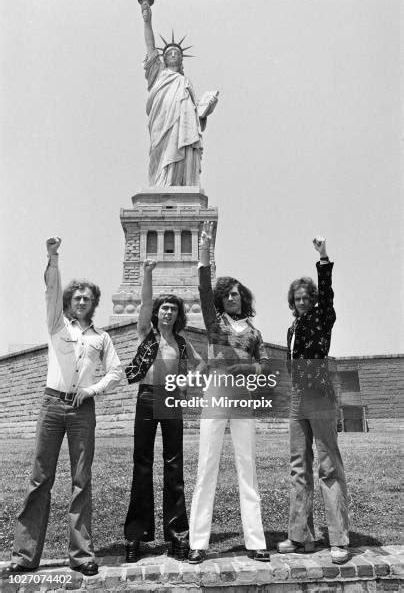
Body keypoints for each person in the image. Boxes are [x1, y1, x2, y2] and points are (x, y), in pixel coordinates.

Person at [2, 237, 123, 578]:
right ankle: (25, 555)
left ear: (93, 303)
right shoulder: (57, 325)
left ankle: (81, 555)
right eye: (77, 297)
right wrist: (53, 259)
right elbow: (51, 293)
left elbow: (116, 371)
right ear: (70, 302)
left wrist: (93, 390)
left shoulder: (102, 338)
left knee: (81, 480)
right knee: (40, 479)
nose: (81, 301)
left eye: (87, 298)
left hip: (82, 410)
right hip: (52, 406)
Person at [188, 222, 271, 564]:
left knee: (246, 467)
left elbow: (264, 366)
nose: (232, 297)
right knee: (206, 466)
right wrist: (205, 252)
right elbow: (204, 290)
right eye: (228, 294)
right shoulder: (215, 324)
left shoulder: (254, 333)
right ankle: (198, 543)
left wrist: (246, 369)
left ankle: (256, 542)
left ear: (244, 298)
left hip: (243, 400)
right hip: (216, 395)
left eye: (237, 293)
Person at [124, 259, 204, 562]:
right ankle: (135, 537)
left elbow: (201, 365)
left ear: (178, 315)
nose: (167, 312)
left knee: (174, 468)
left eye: (173, 308)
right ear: (157, 313)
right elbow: (144, 302)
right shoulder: (147, 334)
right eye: (164, 308)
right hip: (146, 396)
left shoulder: (183, 344)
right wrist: (147, 274)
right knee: (141, 465)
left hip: (171, 399)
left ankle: (177, 536)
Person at [277, 237, 349, 564]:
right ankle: (300, 536)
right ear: (292, 302)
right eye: (298, 298)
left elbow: (328, 292)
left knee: (328, 466)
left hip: (319, 396)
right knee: (298, 467)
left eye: (307, 297)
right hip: (297, 400)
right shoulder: (292, 329)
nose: (303, 301)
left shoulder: (322, 319)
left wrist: (322, 258)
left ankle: (339, 541)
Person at [140, 0, 217, 187]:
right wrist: (147, 20)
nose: (173, 54)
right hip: (162, 122)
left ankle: (179, 184)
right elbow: (150, 47)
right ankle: (161, 185)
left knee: (181, 149)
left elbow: (195, 113)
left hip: (183, 125)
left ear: (181, 60)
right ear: (164, 59)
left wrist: (205, 108)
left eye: (177, 53)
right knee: (161, 153)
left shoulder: (185, 82)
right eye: (169, 53)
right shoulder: (158, 73)